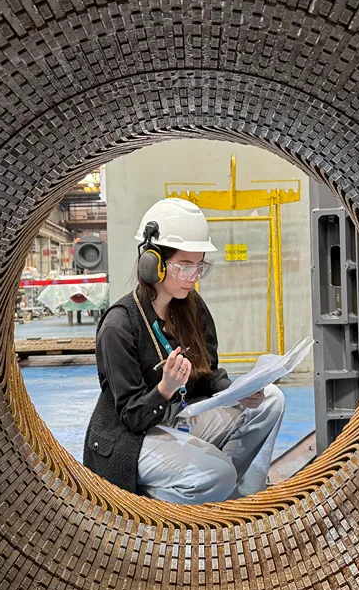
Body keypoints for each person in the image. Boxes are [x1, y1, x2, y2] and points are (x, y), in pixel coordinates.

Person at [83, 197, 285, 504]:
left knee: (270, 400)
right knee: (216, 475)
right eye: (184, 266)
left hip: (179, 416)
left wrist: (237, 390)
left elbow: (207, 374)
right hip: (132, 437)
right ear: (153, 264)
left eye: (199, 266)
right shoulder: (119, 325)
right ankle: (170, 503)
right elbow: (132, 417)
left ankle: (232, 496)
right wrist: (165, 388)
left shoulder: (190, 307)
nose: (193, 277)